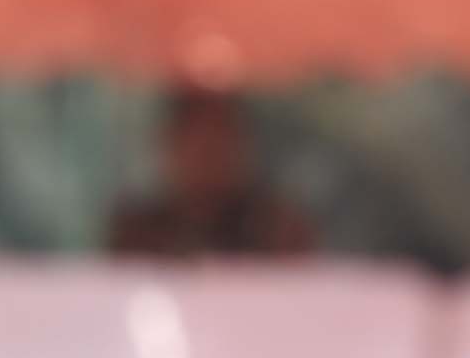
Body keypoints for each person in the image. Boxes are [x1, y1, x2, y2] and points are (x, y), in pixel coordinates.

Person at [103, 84, 315, 260]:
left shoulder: (275, 229)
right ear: (170, 145)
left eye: (220, 139)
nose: (209, 157)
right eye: (198, 142)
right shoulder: (138, 233)